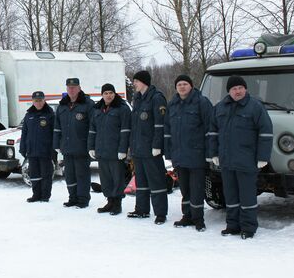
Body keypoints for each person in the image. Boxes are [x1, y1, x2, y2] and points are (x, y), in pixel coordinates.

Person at [209, 75, 273, 239]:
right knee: (230, 196)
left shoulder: (255, 107)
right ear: (229, 91)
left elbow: (265, 131)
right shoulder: (220, 107)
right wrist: (214, 153)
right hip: (226, 161)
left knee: (247, 197)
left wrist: (263, 157)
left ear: (245, 89)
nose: (237, 91)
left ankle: (248, 228)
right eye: (234, 89)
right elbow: (213, 132)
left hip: (247, 160)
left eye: (240, 88)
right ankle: (233, 225)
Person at [164, 75, 214, 231]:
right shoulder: (172, 104)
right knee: (185, 189)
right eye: (179, 84)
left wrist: (210, 153)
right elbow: (167, 131)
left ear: (191, 86)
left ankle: (198, 219)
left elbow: (210, 129)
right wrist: (169, 153)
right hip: (179, 156)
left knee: (197, 189)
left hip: (197, 155)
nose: (182, 87)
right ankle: (187, 216)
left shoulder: (202, 102)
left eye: (185, 84)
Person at [129, 70, 169, 225]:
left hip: (151, 149)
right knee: (141, 181)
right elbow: (135, 125)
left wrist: (157, 145)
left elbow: (160, 124)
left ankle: (160, 213)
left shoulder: (156, 98)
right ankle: (142, 209)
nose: (134, 84)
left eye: (136, 81)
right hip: (138, 149)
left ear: (143, 82)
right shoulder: (137, 98)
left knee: (156, 181)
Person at [88, 83, 131, 215]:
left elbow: (126, 130)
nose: (108, 95)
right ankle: (110, 201)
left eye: (111, 93)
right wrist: (91, 147)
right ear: (102, 95)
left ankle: (117, 204)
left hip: (115, 151)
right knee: (106, 179)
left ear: (114, 93)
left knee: (117, 178)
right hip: (101, 151)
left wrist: (123, 150)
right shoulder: (97, 109)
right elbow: (92, 130)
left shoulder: (122, 108)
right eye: (106, 93)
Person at [53, 78, 95, 209]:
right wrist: (56, 144)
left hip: (82, 147)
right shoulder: (62, 106)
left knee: (82, 175)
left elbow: (93, 127)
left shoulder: (88, 104)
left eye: (74, 87)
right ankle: (73, 198)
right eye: (69, 87)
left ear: (79, 88)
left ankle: (83, 199)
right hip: (67, 147)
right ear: (66, 89)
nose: (71, 89)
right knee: (70, 175)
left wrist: (91, 146)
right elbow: (57, 127)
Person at [20, 91, 55, 203]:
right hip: (32, 150)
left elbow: (54, 133)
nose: (38, 103)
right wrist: (23, 148)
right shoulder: (28, 115)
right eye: (36, 101)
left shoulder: (50, 114)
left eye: (40, 100)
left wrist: (54, 150)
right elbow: (24, 133)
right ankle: (36, 194)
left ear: (44, 100)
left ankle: (45, 195)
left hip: (45, 150)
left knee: (46, 174)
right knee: (34, 174)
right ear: (33, 102)